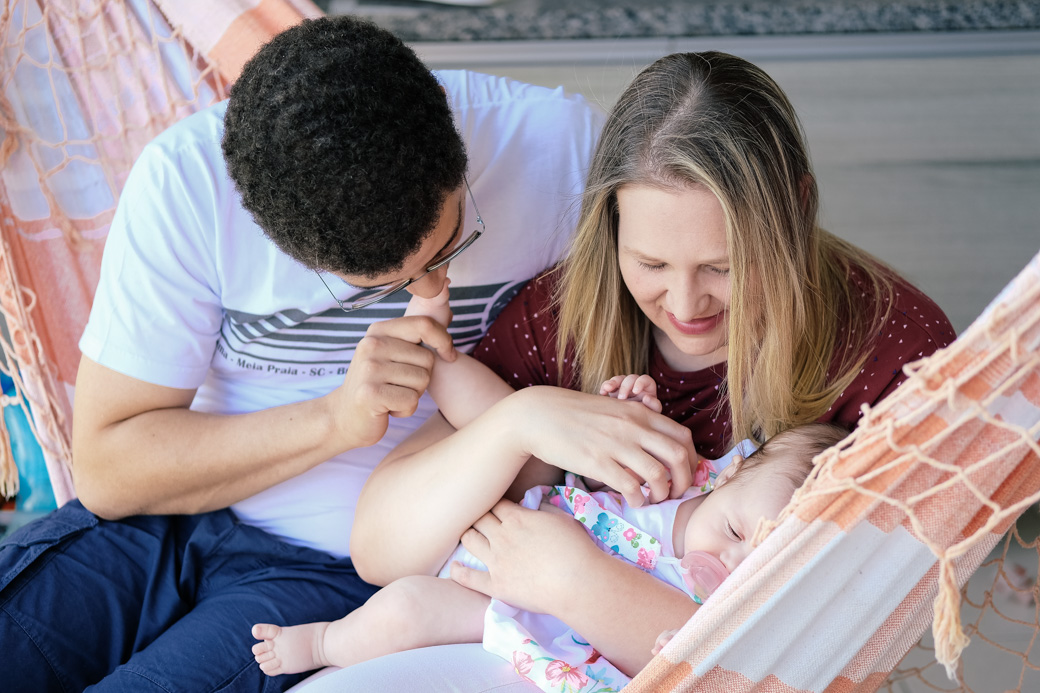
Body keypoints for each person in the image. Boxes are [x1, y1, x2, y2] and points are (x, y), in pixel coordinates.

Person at [0, 15, 604, 693]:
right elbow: (110, 469)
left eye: (450, 244)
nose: (430, 287)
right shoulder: (187, 182)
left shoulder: (565, 152)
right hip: (157, 524)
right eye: (375, 288)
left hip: (330, 568)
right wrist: (337, 419)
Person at [345, 50, 956, 686]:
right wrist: (520, 422)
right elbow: (382, 552)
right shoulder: (567, 313)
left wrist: (578, 584)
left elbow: (819, 657)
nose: (687, 307)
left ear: (796, 209)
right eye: (652, 265)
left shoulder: (895, 355)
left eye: (723, 266)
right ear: (610, 225)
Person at [250, 287, 847, 691]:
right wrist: (622, 412)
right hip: (519, 505)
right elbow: (598, 470)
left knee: (408, 609)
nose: (734, 559)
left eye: (766, 562)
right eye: (739, 532)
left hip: (516, 608)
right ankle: (432, 348)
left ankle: (325, 644)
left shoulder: (724, 610)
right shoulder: (685, 477)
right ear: (735, 472)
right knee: (508, 417)